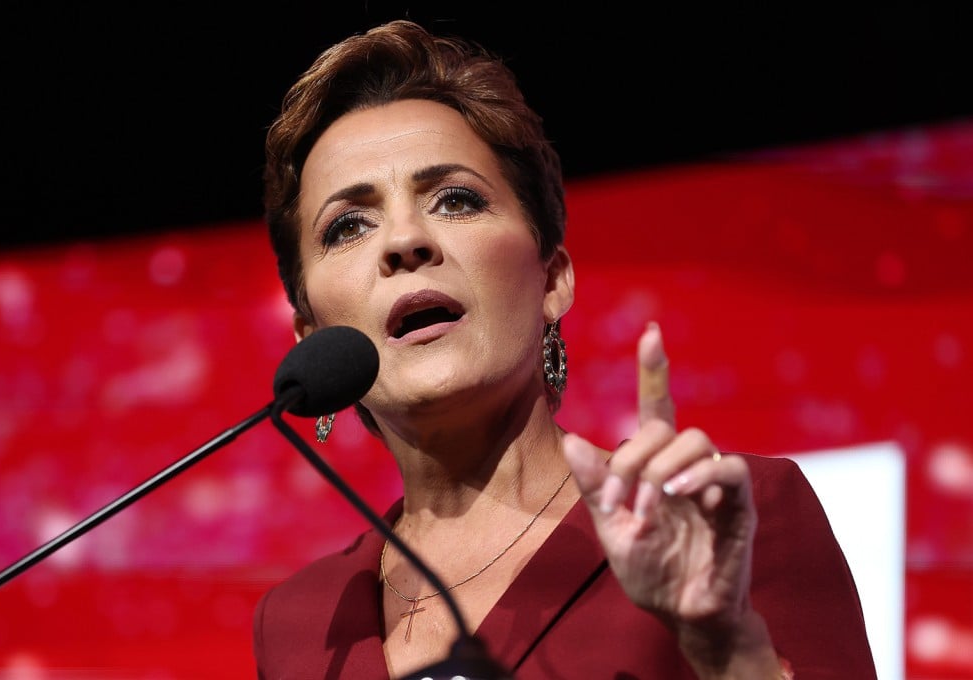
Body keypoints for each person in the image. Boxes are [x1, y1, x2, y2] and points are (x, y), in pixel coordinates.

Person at [252, 19, 878, 680]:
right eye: (348, 225)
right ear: (312, 336)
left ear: (551, 281)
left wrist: (728, 651)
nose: (404, 241)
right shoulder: (300, 624)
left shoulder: (727, 523)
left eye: (456, 200)